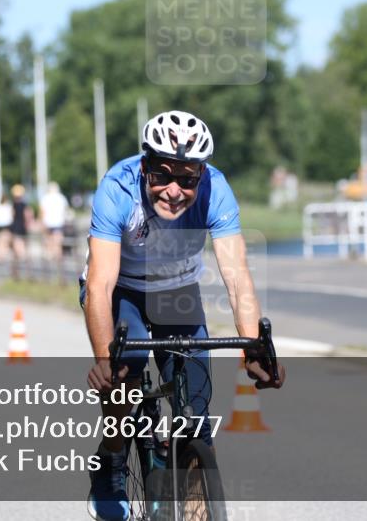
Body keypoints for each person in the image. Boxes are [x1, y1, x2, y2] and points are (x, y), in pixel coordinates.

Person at [80, 110, 285, 521]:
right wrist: (105, 357)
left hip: (176, 289)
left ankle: (192, 490)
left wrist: (254, 349)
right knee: (126, 368)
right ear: (144, 168)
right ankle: (114, 456)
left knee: (195, 404)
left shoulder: (217, 190)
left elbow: (237, 276)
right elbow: (101, 285)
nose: (174, 190)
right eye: (162, 176)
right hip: (123, 287)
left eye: (187, 179)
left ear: (201, 176)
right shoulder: (117, 187)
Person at [7, 184, 33, 278]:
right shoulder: (24, 204)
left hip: (16, 227)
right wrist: (28, 224)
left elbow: (12, 215)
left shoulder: (13, 204)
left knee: (17, 246)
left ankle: (21, 259)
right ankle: (22, 259)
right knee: (21, 244)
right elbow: (28, 215)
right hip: (22, 227)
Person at [40, 182, 69, 262]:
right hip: (59, 222)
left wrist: (42, 222)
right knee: (58, 241)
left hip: (48, 222)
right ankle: (58, 255)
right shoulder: (62, 198)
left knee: (49, 240)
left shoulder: (45, 198)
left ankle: (50, 256)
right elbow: (65, 210)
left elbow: (42, 211)